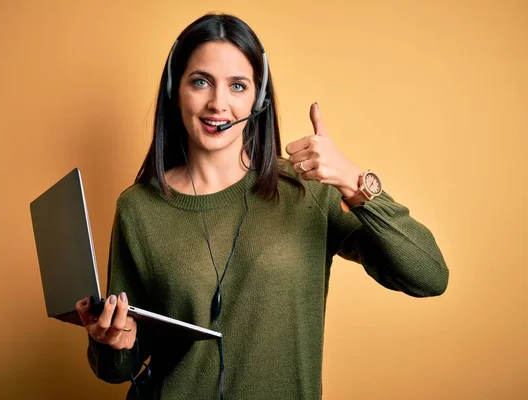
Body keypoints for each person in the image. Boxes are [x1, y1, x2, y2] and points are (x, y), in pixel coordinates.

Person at [75, 12, 449, 400]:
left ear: (259, 97)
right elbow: (118, 369)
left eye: (237, 86)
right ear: (175, 90)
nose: (218, 103)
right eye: (200, 82)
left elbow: (429, 275)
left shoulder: (307, 192)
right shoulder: (139, 208)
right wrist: (109, 341)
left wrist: (354, 183)